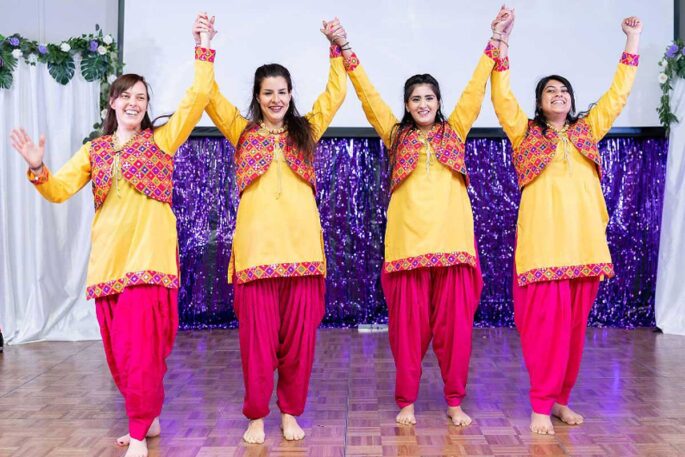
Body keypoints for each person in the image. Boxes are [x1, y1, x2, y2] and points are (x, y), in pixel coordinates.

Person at [9, 15, 217, 457]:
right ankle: (147, 415)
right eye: (126, 95)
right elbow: (59, 189)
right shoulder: (96, 150)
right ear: (112, 102)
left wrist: (202, 44)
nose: (134, 102)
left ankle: (139, 433)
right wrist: (34, 166)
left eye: (141, 97)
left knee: (142, 353)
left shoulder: (162, 140)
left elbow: (198, 96)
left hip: (150, 263)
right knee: (121, 358)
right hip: (108, 267)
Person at [338, 9, 512, 426]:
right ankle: (408, 402)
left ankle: (455, 402)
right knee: (407, 333)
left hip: (454, 250)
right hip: (407, 252)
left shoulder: (456, 130)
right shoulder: (396, 135)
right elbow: (367, 95)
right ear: (406, 105)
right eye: (415, 99)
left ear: (439, 102)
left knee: (455, 335)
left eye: (429, 98)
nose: (422, 104)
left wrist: (495, 38)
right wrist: (344, 48)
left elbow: (475, 87)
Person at [490, 11, 642, 435]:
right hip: (543, 251)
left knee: (574, 335)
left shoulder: (588, 131)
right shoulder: (525, 134)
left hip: (585, 248)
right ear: (538, 102)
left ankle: (560, 400)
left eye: (564, 91)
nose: (558, 95)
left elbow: (618, 94)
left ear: (572, 101)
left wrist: (631, 40)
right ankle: (540, 404)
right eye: (550, 91)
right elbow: (501, 95)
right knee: (545, 334)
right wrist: (500, 41)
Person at [199, 18, 347, 444]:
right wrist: (206, 46)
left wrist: (336, 47)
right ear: (257, 97)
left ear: (290, 95)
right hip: (256, 257)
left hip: (303, 256)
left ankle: (290, 412)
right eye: (268, 92)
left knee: (298, 346)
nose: (276, 99)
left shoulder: (307, 130)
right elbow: (207, 96)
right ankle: (257, 416)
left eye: (282, 91)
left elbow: (335, 94)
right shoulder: (242, 133)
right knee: (257, 347)